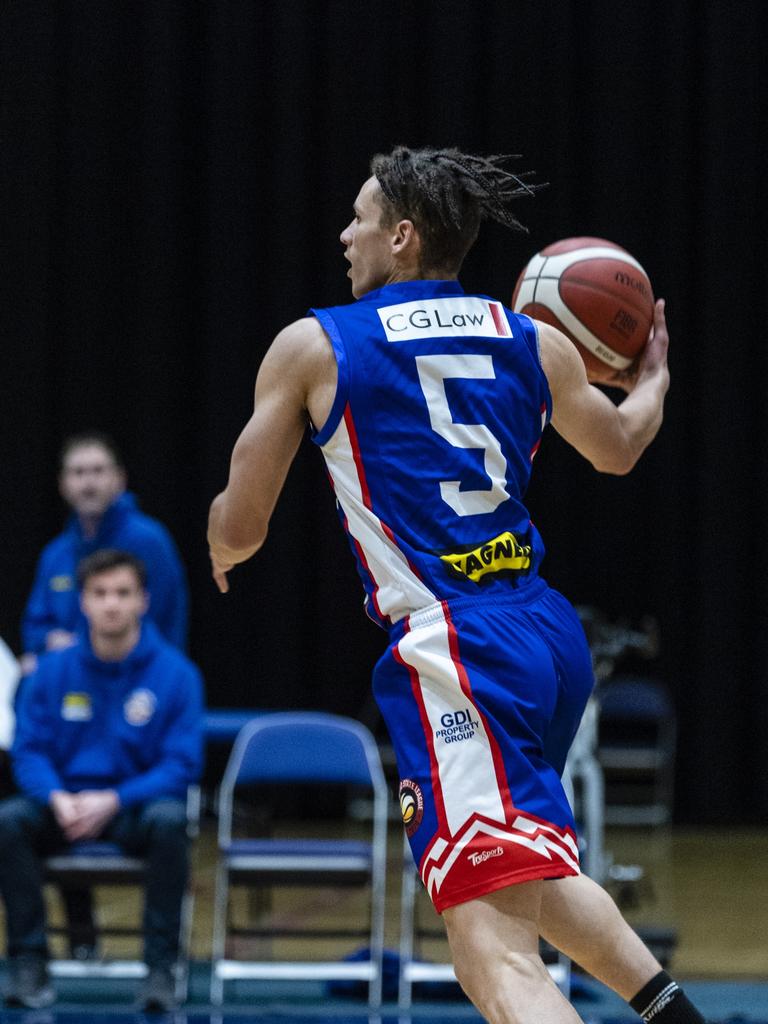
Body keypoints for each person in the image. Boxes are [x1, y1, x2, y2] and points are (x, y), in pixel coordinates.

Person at [207, 147, 702, 1024]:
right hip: (546, 638)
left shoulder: (316, 344)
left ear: (401, 236)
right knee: (526, 872)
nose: (345, 233)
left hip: (456, 645)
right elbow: (620, 446)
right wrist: (655, 380)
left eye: (360, 217)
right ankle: (673, 1010)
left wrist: (222, 546)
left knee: (491, 955)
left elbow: (243, 525)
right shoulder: (534, 338)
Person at [0, 549, 203, 1012]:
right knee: (8, 821)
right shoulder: (51, 673)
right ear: (84, 603)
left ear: (143, 601)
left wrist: (113, 799)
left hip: (132, 809)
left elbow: (182, 764)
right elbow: (28, 749)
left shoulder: (177, 675)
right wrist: (55, 797)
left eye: (122, 593)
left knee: (172, 821)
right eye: (100, 593)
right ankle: (29, 963)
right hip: (64, 807)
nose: (112, 604)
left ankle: (160, 969)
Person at [22, 432, 189, 672]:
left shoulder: (149, 541)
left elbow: (165, 621)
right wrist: (48, 642)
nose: (88, 483)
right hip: (70, 678)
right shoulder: (55, 553)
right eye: (78, 472)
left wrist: (80, 646)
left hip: (138, 677)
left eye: (98, 471)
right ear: (63, 484)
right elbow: (33, 627)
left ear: (119, 479)